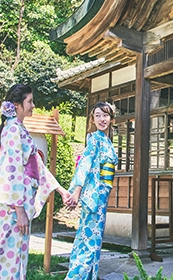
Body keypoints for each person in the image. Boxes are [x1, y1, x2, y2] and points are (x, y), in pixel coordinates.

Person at [0, 84, 71, 280]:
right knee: (2, 257)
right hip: (13, 205)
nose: (33, 105)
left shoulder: (18, 128)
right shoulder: (12, 131)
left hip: (20, 201)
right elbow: (12, 171)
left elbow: (39, 168)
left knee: (14, 255)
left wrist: (61, 190)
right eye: (30, 101)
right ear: (17, 105)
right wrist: (19, 210)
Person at [65, 101, 118, 280]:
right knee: (90, 242)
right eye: (98, 115)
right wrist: (77, 191)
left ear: (111, 119)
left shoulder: (107, 141)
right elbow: (85, 164)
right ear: (92, 119)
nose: (102, 119)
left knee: (94, 242)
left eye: (105, 115)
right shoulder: (94, 138)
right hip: (94, 196)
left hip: (102, 196)